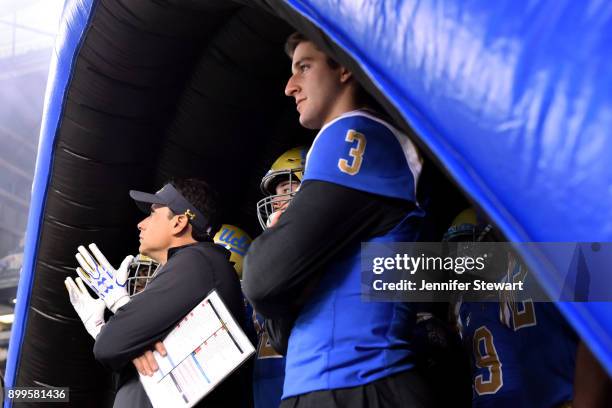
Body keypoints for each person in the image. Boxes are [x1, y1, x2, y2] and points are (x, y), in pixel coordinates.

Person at [242, 33, 435, 407]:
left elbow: (264, 278)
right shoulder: (332, 147)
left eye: (304, 67)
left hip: (361, 382)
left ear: (343, 67)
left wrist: (279, 244)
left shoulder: (357, 132)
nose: (289, 86)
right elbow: (282, 332)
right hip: (319, 384)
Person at [65, 178, 249, 408]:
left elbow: (109, 345)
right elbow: (119, 349)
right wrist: (133, 346)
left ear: (179, 223)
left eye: (153, 214)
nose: (141, 223)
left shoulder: (197, 260)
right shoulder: (196, 263)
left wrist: (122, 335)